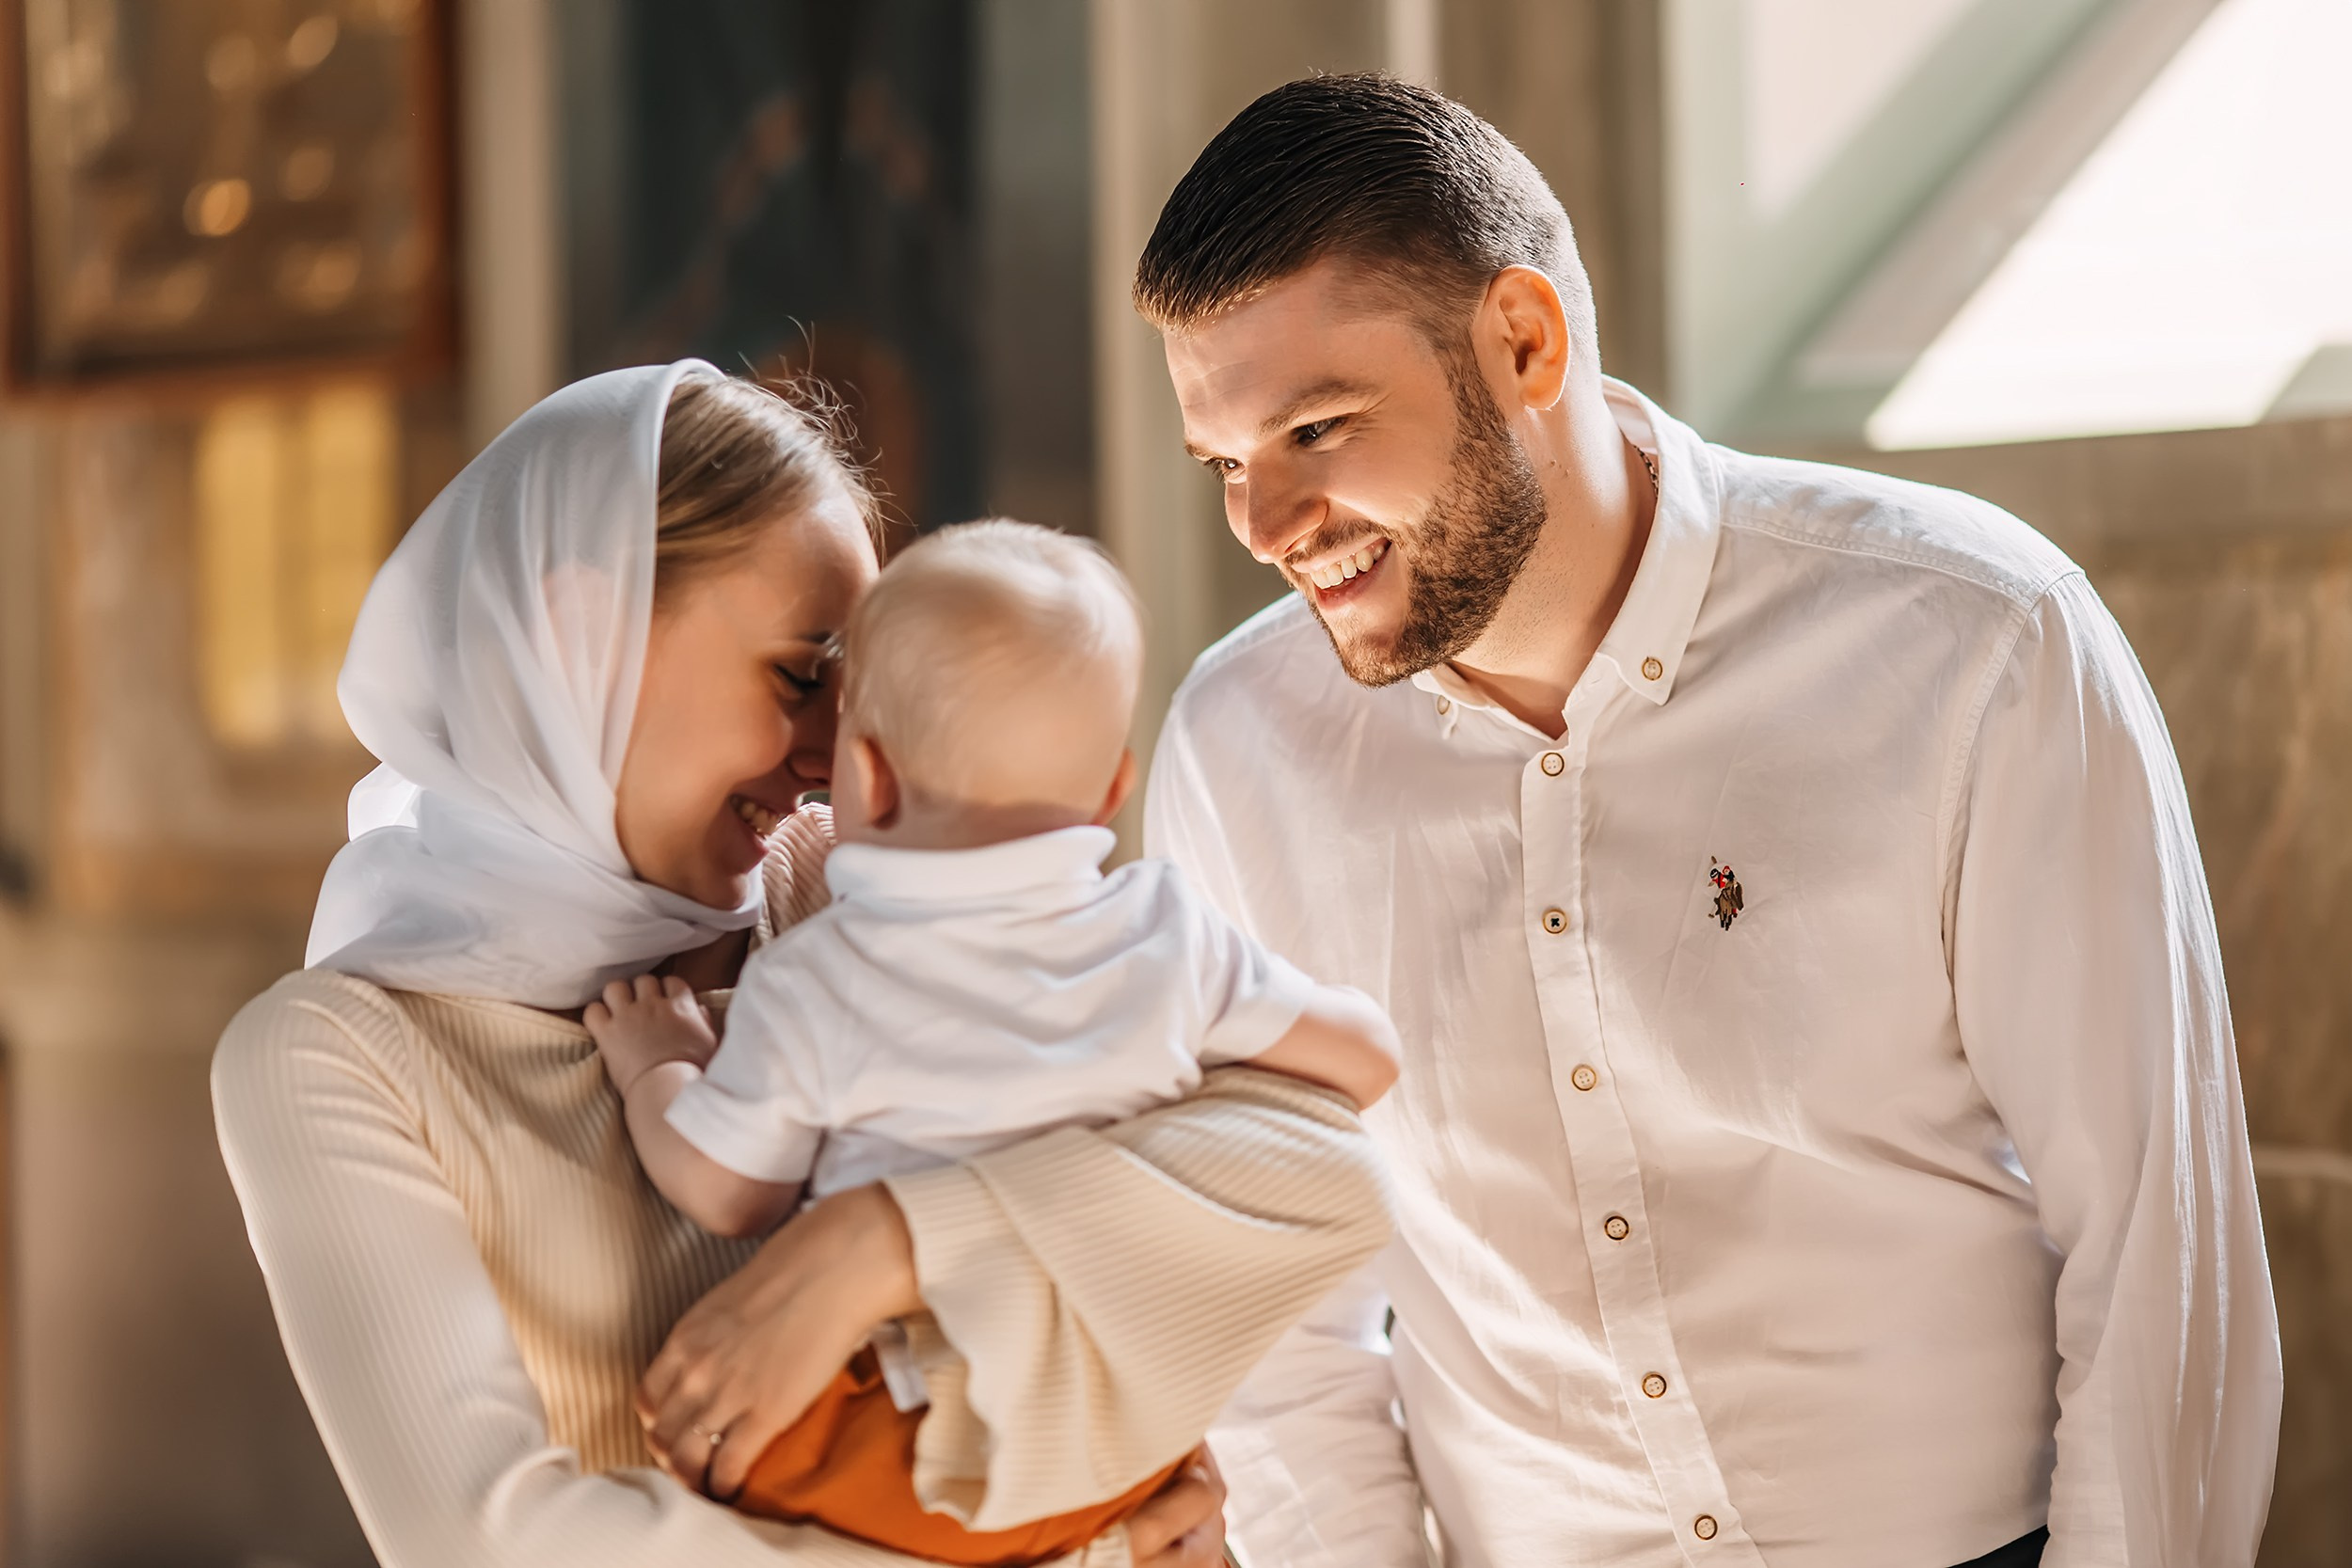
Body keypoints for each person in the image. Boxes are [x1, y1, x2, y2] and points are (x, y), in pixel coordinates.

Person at [1135, 74, 2281, 1568]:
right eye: (1225, 464)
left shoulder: (1977, 641)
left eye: (1318, 429)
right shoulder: (1237, 752)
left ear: (1525, 340)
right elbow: (1278, 1300)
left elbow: (2157, 1242)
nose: (1268, 527)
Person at [212, 362, 1393, 1568]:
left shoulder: (843, 882)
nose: (840, 758)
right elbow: (491, 1542)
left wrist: (883, 1240)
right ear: (582, 631)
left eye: (862, 691)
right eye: (799, 675)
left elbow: (1332, 1174)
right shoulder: (334, 1055)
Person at [582, 518, 1399, 1564]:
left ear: (865, 777)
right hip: (1125, 1440)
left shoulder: (824, 974)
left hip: (914, 1453)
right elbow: (1364, 1059)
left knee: (709, 1447)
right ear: (1113, 787)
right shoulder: (1167, 933)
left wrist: (657, 1063)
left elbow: (727, 1189)